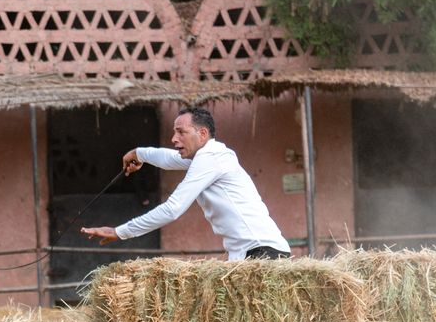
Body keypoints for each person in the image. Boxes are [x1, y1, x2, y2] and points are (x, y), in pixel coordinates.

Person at [80, 107, 291, 260]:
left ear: (202, 134)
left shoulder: (212, 156)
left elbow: (172, 209)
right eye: (174, 131)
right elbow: (166, 158)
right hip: (249, 255)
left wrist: (119, 232)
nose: (174, 138)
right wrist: (138, 154)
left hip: (263, 253)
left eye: (181, 132)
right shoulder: (202, 158)